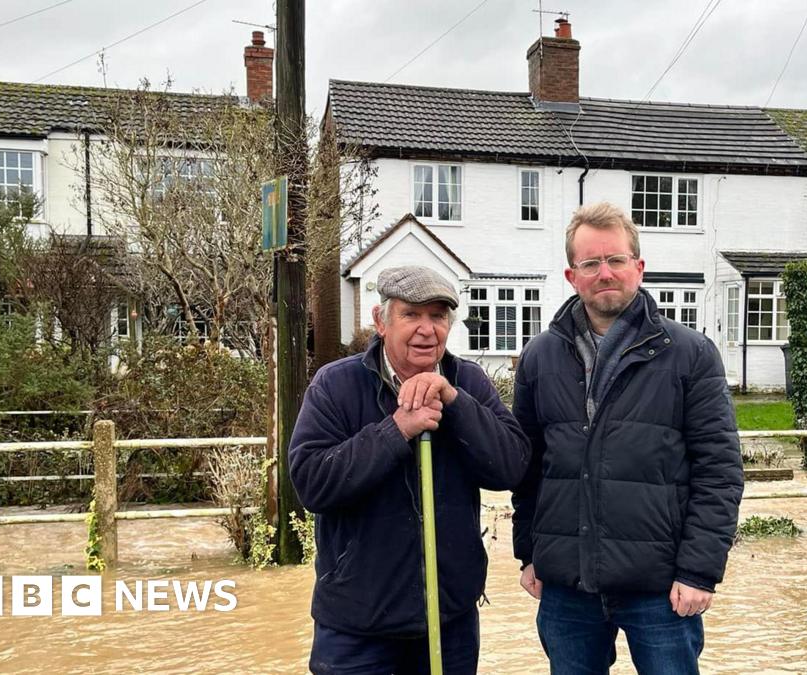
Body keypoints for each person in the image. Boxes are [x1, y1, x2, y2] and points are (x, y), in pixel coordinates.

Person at [511, 202, 744, 674]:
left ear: (638, 267)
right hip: (567, 585)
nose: (605, 273)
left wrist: (699, 570)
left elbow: (719, 470)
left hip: (660, 587)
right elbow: (529, 466)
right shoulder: (539, 356)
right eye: (590, 263)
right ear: (571, 275)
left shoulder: (690, 354)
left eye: (616, 260)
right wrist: (529, 553)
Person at [290, 265, 531, 674]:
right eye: (411, 315)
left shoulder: (467, 381)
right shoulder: (335, 385)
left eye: (437, 316)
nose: (426, 329)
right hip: (356, 626)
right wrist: (397, 429)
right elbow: (312, 484)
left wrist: (455, 404)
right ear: (381, 321)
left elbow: (511, 467)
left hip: (449, 621)